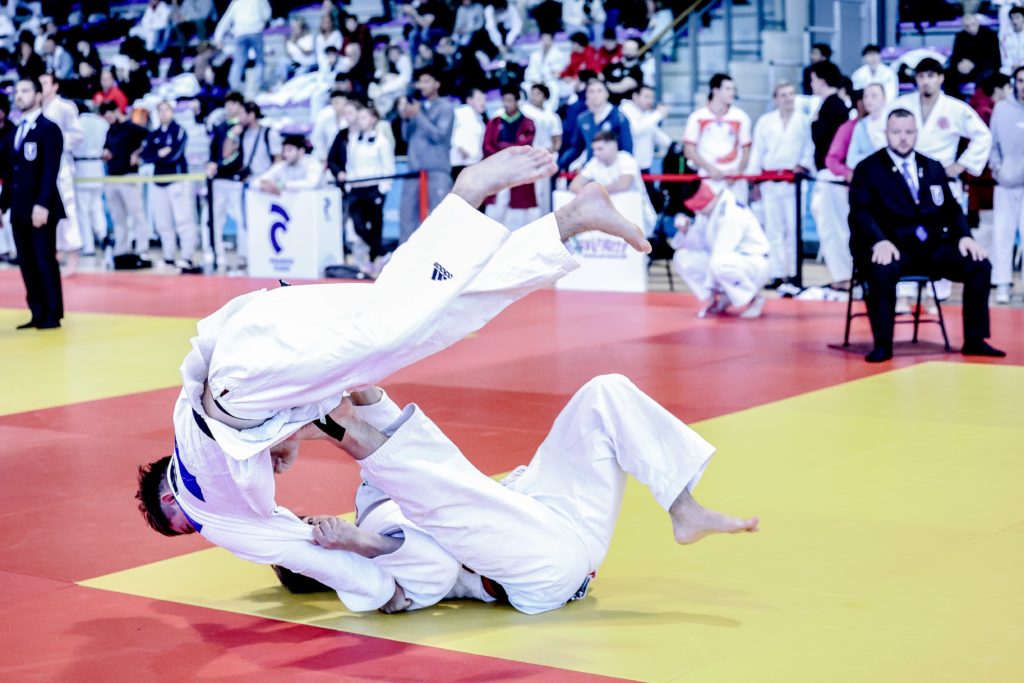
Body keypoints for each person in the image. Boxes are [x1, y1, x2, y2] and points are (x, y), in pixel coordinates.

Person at [133, 147, 652, 612]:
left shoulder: (217, 518)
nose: (196, 531)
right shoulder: (205, 450)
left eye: (183, 527)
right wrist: (285, 440)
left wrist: (384, 594)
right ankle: (570, 221)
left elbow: (307, 554)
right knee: (439, 317)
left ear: (171, 500)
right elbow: (259, 435)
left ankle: (466, 196)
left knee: (390, 327)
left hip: (250, 377)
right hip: (264, 349)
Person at [289, 374, 759, 615]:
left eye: (306, 521)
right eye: (312, 535)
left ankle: (683, 508)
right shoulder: (366, 582)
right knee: (444, 492)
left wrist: (354, 377)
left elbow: (392, 425)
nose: (317, 524)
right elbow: (432, 570)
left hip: (543, 507)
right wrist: (357, 543)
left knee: (604, 394)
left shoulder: (370, 501)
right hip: (538, 569)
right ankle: (334, 428)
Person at [848, 109, 1004, 363]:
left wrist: (965, 237)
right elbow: (860, 212)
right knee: (881, 269)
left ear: (916, 133)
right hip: (892, 246)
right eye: (896, 132)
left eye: (909, 132)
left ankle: (975, 340)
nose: (903, 138)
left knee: (979, 265)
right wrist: (879, 240)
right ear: (886, 133)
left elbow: (951, 208)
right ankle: (883, 344)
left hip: (930, 247)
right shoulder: (869, 169)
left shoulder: (932, 167)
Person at [1, 77, 66, 330]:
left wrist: (43, 204)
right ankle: (37, 311)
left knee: (44, 259)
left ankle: (52, 312)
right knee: (26, 261)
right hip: (18, 208)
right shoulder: (14, 132)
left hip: (41, 207)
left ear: (39, 95)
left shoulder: (49, 129)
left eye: (25, 90)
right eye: (17, 91)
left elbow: (51, 171)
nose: (19, 95)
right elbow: (9, 174)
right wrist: (2, 205)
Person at [748, 81, 814, 289]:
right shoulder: (765, 122)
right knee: (774, 230)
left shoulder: (804, 121)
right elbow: (757, 152)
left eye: (791, 94)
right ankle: (777, 273)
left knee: (793, 230)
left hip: (793, 182)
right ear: (775, 99)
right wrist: (754, 181)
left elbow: (809, 149)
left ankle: (793, 273)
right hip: (769, 181)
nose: (788, 99)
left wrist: (802, 165)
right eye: (783, 95)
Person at [671, 180, 770, 318]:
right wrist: (686, 230)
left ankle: (754, 298)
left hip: (752, 263)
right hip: (730, 260)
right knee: (682, 257)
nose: (697, 212)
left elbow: (721, 253)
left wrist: (712, 286)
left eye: (698, 209)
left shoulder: (731, 212)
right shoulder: (708, 210)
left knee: (719, 264)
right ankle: (715, 299)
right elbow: (699, 244)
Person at [809, 60, 853, 290]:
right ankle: (841, 275)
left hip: (832, 174)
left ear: (822, 79)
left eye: (813, 79)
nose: (811, 84)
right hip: (827, 173)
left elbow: (821, 137)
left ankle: (844, 276)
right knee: (831, 226)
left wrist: (815, 123)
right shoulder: (831, 104)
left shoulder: (833, 105)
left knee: (834, 227)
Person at [398, 66, 454, 242]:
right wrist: (405, 118)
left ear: (437, 84)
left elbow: (439, 136)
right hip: (413, 171)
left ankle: (442, 255)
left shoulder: (446, 107)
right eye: (420, 81)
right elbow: (406, 136)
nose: (422, 85)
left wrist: (418, 115)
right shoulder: (417, 107)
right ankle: (407, 255)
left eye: (427, 81)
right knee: (407, 217)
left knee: (439, 217)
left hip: (437, 171)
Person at [139, 101, 198, 270]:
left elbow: (175, 154)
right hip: (158, 182)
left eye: (166, 110)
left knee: (183, 220)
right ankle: (168, 256)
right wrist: (159, 153)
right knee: (163, 223)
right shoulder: (154, 134)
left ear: (172, 111)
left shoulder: (179, 131)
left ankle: (187, 256)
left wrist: (159, 155)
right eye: (160, 111)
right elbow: (146, 155)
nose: (163, 114)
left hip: (177, 181)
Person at [683, 73, 753, 203]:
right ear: (715, 90)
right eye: (728, 89)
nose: (732, 93)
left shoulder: (741, 117)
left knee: (737, 213)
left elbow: (746, 149)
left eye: (734, 89)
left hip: (734, 179)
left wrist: (739, 171)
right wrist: (710, 169)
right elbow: (689, 150)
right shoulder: (697, 117)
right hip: (708, 178)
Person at [40, 73, 84, 275]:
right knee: (46, 210)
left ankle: (72, 257)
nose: (42, 86)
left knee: (68, 210)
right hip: (41, 165)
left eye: (45, 83)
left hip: (61, 165)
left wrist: (55, 141)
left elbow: (78, 134)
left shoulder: (65, 107)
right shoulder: (37, 107)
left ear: (55, 86)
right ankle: (53, 255)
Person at [569, 129, 655, 233]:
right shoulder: (594, 163)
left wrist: (595, 192)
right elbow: (574, 185)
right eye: (594, 149)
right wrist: (589, 193)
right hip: (612, 216)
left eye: (600, 149)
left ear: (613, 146)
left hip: (637, 214)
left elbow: (624, 184)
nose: (596, 153)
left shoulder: (626, 159)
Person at [344, 104, 396, 276]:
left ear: (373, 119)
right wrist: (349, 184)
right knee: (358, 226)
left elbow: (388, 166)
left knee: (375, 226)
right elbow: (350, 164)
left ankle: (374, 262)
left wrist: (383, 188)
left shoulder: (381, 141)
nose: (360, 121)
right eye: (359, 118)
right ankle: (383, 252)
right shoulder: (353, 140)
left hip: (374, 188)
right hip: (356, 187)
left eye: (364, 117)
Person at [988, 65, 1024, 304]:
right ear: (1014, 83)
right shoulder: (1002, 109)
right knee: (1002, 234)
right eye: (1020, 80)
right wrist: (998, 169)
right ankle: (1002, 283)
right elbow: (992, 144)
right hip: (1005, 183)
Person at [482, 84, 538, 230]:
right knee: (494, 212)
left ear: (517, 101)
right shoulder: (494, 122)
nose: (506, 104)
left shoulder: (528, 123)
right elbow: (487, 146)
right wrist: (507, 151)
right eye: (504, 100)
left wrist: (502, 147)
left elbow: (523, 147)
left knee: (518, 215)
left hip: (519, 171)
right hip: (497, 170)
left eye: (510, 100)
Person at [100, 101, 150, 261]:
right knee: (118, 217)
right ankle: (120, 249)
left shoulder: (131, 127)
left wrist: (138, 154)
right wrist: (106, 153)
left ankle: (142, 248)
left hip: (129, 176)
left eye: (109, 114)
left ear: (116, 111)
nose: (108, 118)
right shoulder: (110, 130)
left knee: (137, 214)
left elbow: (150, 139)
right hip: (112, 176)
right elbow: (107, 147)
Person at [557, 78, 633, 171]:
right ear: (586, 95)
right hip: (592, 168)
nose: (595, 95)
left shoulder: (619, 117)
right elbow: (576, 148)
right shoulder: (582, 119)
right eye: (591, 91)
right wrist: (559, 165)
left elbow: (627, 150)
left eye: (599, 91)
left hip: (613, 169)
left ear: (607, 94)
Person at [619, 84, 670, 210]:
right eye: (646, 97)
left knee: (652, 204)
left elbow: (657, 135)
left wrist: (674, 145)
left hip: (644, 168)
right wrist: (658, 115)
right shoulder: (625, 110)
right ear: (635, 96)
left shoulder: (647, 115)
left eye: (652, 97)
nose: (650, 101)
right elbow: (635, 129)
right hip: (628, 169)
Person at [212, 0, 271, 92]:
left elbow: (226, 19)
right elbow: (267, 14)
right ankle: (257, 86)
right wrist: (262, 23)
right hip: (255, 31)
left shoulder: (237, 2)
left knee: (238, 62)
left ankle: (234, 86)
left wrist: (218, 37)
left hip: (240, 32)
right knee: (259, 60)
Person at [75, 103, 110, 258]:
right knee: (97, 205)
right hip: (97, 166)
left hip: (82, 166)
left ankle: (88, 245)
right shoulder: (102, 123)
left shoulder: (77, 123)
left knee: (83, 210)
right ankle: (103, 236)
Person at [521, 83, 562, 213]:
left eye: (537, 94)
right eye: (532, 94)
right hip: (527, 157)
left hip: (545, 158)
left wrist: (548, 153)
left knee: (544, 193)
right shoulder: (524, 112)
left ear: (545, 96)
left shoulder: (552, 117)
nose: (534, 97)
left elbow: (557, 140)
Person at [947, 13, 1001, 96]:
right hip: (966, 68)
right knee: (949, 75)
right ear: (964, 27)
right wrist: (959, 64)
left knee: (985, 75)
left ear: (977, 23)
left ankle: (978, 101)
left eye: (973, 24)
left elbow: (995, 58)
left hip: (983, 67)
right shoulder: (960, 36)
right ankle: (956, 100)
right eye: (967, 26)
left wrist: (974, 64)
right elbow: (955, 56)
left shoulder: (990, 35)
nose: (971, 28)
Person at [256, 134, 324, 195]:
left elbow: (310, 184)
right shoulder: (282, 165)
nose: (286, 154)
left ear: (301, 151)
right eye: (284, 151)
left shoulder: (313, 164)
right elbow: (257, 182)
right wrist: (264, 185)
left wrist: (281, 185)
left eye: (289, 150)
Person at [449, 88, 487, 180]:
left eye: (484, 99)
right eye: (479, 99)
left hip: (474, 163)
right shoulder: (461, 112)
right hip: (460, 163)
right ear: (469, 100)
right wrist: (460, 148)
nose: (483, 103)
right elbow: (450, 131)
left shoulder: (479, 118)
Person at [1000, 5, 1024, 75]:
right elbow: (1004, 56)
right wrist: (1012, 65)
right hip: (1010, 67)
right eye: (1012, 18)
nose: (1014, 21)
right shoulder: (1005, 37)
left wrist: (1021, 65)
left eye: (1017, 17)